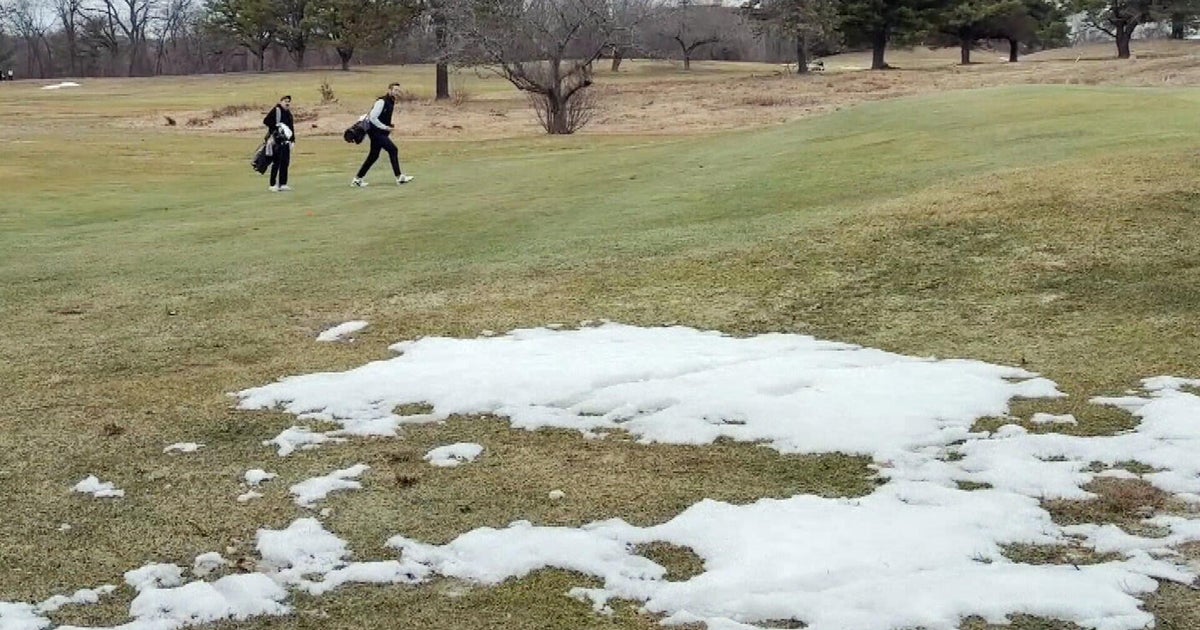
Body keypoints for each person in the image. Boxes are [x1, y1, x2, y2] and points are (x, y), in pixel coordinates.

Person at [352, 82, 414, 187]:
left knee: (373, 156)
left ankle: (357, 179)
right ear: (389, 90)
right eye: (395, 90)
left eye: (398, 91)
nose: (397, 92)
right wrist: (385, 127)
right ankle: (399, 177)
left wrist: (388, 126)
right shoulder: (381, 101)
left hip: (380, 132)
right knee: (393, 149)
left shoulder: (391, 101)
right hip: (375, 132)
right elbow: (372, 118)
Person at [262, 95, 295, 192]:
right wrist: (276, 127)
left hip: (286, 141)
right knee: (276, 162)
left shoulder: (288, 113)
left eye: (288, 101)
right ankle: (272, 184)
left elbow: (291, 127)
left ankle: (283, 183)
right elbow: (266, 121)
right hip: (276, 141)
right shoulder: (276, 110)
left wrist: (293, 140)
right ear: (281, 101)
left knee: (285, 162)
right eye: (285, 101)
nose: (287, 103)